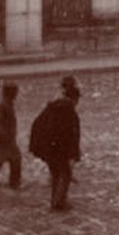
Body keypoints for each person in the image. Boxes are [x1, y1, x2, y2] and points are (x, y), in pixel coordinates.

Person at [28, 76, 82, 212]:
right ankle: (59, 203)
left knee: (55, 174)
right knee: (66, 174)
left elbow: (36, 124)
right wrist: (74, 155)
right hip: (58, 148)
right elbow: (72, 136)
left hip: (47, 147)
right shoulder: (69, 111)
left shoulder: (52, 107)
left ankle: (55, 201)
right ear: (75, 98)